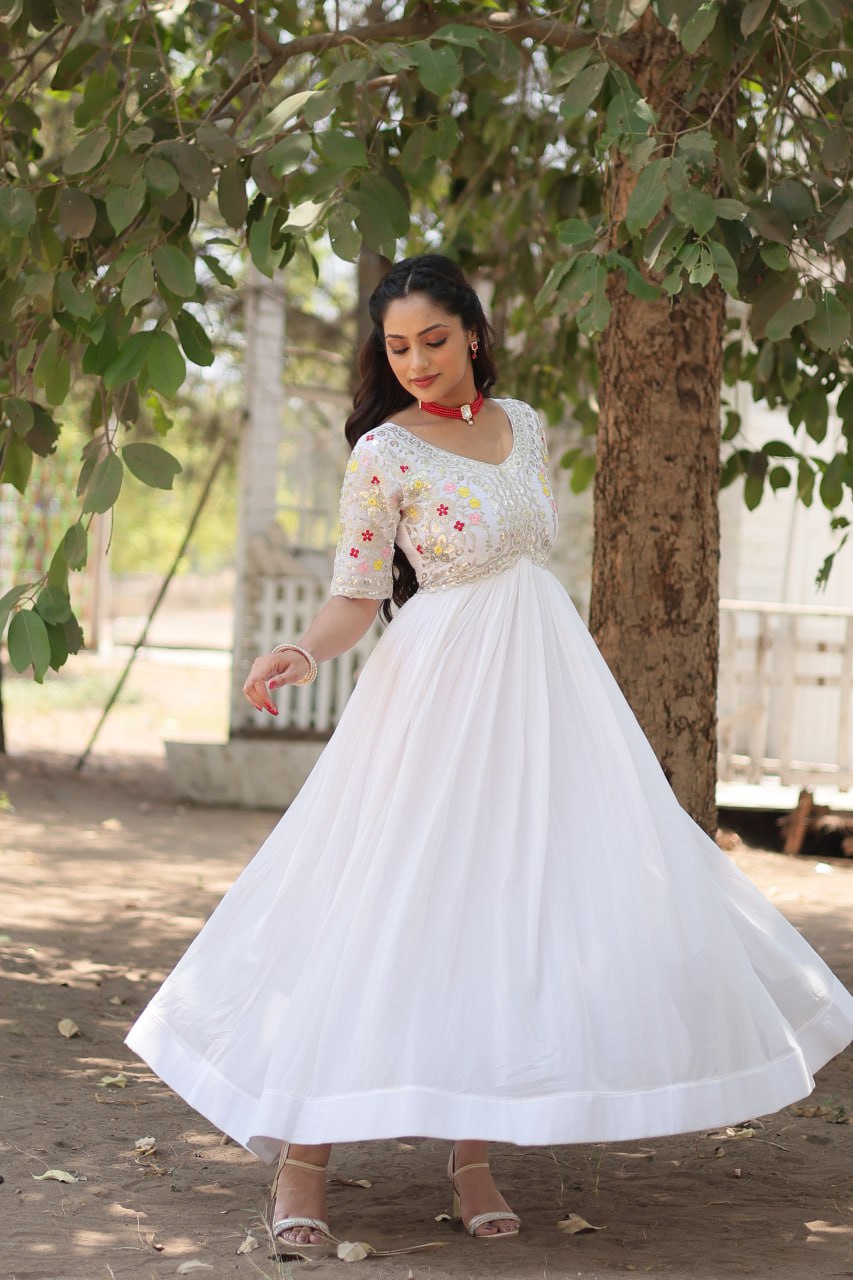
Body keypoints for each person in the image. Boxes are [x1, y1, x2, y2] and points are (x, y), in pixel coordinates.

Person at [125, 253, 853, 1261]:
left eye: (433, 339)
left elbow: (528, 557)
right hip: (436, 688)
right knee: (379, 893)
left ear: (471, 330)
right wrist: (299, 649)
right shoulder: (383, 450)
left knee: (515, 903)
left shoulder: (529, 428)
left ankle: (473, 1157)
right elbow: (354, 592)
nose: (416, 361)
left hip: (542, 685)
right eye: (396, 347)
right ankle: (302, 1161)